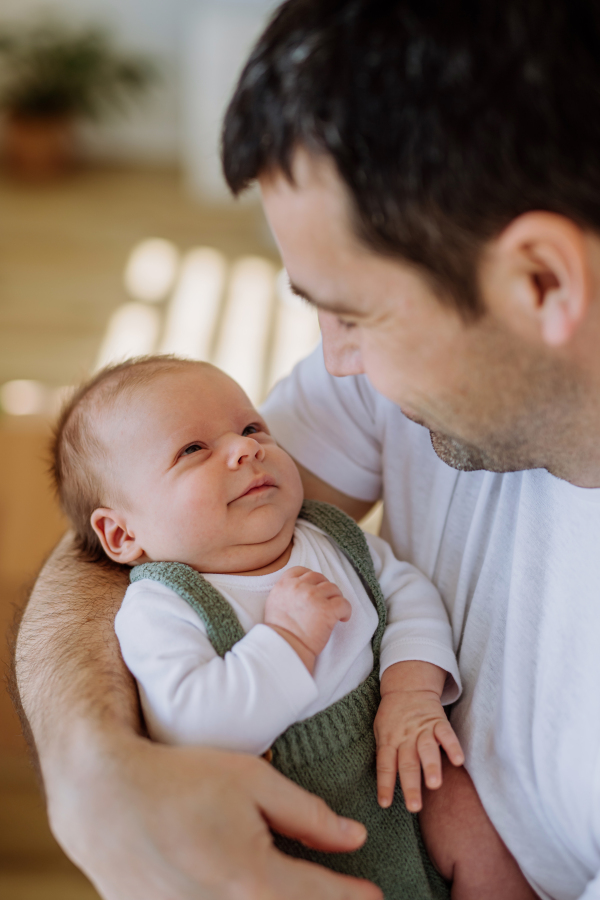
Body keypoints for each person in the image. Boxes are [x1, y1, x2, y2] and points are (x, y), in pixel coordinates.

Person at [13, 0, 600, 898]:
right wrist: (93, 771)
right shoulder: (388, 384)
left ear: (542, 281)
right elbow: (132, 536)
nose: (333, 360)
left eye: (354, 312)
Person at [53, 353, 521, 898]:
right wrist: (289, 641)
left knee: (475, 826)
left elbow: (408, 594)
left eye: (252, 427)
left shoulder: (330, 537)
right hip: (290, 829)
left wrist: (412, 692)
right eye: (193, 449)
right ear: (121, 534)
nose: (245, 447)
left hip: (399, 757)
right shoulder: (162, 607)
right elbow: (196, 727)